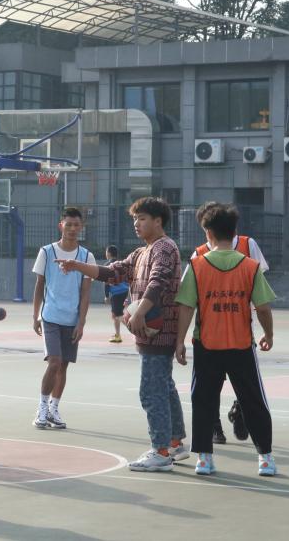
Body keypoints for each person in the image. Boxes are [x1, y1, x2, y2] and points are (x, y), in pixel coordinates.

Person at [58, 196, 186, 473]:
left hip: (158, 331)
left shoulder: (164, 247)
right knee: (165, 386)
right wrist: (78, 266)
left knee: (151, 391)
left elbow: (159, 280)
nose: (136, 224)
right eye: (134, 219)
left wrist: (140, 312)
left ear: (158, 221)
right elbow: (113, 272)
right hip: (151, 333)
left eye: (141, 218)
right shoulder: (141, 252)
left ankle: (161, 451)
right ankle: (175, 442)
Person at [175, 203, 278, 477]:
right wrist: (268, 334)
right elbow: (263, 307)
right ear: (234, 233)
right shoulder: (250, 266)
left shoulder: (196, 265)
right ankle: (265, 458)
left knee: (203, 400)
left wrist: (179, 341)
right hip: (241, 345)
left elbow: (186, 307)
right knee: (253, 400)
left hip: (207, 345)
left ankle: (204, 459)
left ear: (208, 233)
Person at [190, 201, 270, 445]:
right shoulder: (199, 256)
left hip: (240, 331)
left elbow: (259, 284)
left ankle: (240, 409)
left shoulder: (248, 245)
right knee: (208, 390)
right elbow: (189, 299)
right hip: (210, 334)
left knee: (245, 386)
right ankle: (215, 428)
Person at [31, 207, 94, 430]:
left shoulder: (86, 256)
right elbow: (39, 285)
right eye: (69, 224)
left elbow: (85, 293)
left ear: (81, 227)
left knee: (63, 366)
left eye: (76, 225)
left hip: (72, 319)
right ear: (61, 226)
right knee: (54, 362)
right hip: (50, 316)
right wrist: (36, 315)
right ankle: (41, 408)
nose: (72, 229)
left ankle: (54, 409)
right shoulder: (47, 252)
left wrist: (81, 322)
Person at [103, 245, 129, 343]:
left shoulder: (108, 265)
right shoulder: (120, 264)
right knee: (115, 315)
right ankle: (117, 335)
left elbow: (106, 282)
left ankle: (136, 329)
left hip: (117, 294)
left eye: (106, 252)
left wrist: (106, 296)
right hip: (124, 291)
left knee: (118, 315)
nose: (106, 253)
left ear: (109, 253)